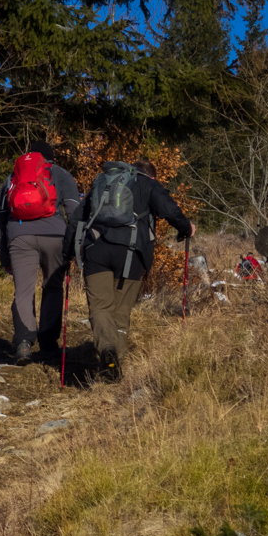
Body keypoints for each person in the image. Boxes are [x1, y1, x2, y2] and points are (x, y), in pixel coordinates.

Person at [63, 158, 195, 380]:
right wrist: (186, 228)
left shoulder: (102, 183)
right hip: (131, 253)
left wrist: (67, 255)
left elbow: (76, 219)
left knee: (100, 307)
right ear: (150, 176)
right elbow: (170, 210)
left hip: (97, 250)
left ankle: (107, 350)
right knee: (120, 312)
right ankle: (114, 367)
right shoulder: (149, 184)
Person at [0, 140, 81, 365]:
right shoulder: (61, 174)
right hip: (55, 237)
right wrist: (73, 247)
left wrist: (4, 256)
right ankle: (49, 343)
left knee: (24, 291)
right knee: (52, 288)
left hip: (20, 237)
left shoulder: (13, 178)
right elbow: (75, 214)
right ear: (51, 158)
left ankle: (23, 343)